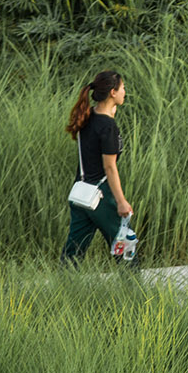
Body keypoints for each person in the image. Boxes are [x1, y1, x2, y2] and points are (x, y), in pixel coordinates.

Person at [62, 70, 136, 266]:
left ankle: (63, 286)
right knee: (125, 245)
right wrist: (121, 202)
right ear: (113, 92)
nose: (124, 92)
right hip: (100, 195)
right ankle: (136, 289)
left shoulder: (87, 118)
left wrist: (111, 112)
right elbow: (110, 167)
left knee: (73, 254)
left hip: (80, 193)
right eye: (122, 88)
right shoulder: (108, 127)